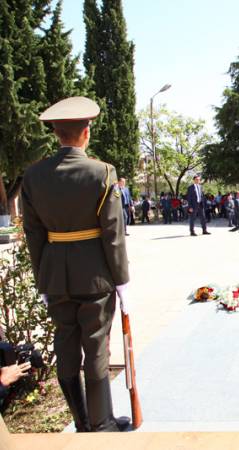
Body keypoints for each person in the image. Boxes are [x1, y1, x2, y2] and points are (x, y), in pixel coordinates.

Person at [21, 96, 131, 432]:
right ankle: (102, 424)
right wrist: (122, 280)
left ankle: (81, 422)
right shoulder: (102, 172)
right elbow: (113, 233)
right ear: (85, 133)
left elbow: (33, 234)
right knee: (96, 347)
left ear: (57, 134)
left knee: (66, 344)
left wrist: (43, 279)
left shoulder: (33, 175)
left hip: (56, 276)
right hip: (95, 275)